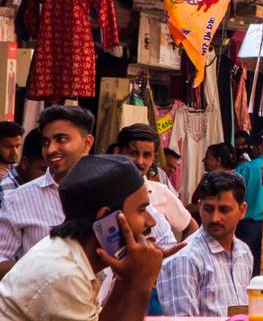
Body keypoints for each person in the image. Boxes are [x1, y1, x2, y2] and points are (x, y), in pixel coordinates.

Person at [0, 105, 174, 277]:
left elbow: (166, 244)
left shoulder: (118, 189)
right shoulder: (19, 199)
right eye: (46, 142)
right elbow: (1, 259)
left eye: (61, 139)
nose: (51, 149)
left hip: (108, 302)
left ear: (87, 143)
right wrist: (47, 275)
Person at [0, 154, 174, 321]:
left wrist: (127, 279)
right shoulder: (64, 275)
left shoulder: (71, 254)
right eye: (142, 210)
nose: (151, 222)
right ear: (107, 219)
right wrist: (141, 283)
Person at [154, 169, 253, 317]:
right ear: (199, 207)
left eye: (224, 210)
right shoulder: (185, 259)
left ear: (242, 210)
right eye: (209, 209)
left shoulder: (244, 253)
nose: (215, 218)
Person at [115, 123, 196, 241]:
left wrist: (178, 257)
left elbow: (191, 227)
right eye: (133, 153)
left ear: (153, 158)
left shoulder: (161, 192)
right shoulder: (107, 190)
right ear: (118, 152)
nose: (140, 161)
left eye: (146, 155)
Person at [233, 134, 263, 265]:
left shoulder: (245, 168)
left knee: (244, 262)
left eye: (251, 147)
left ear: (259, 148)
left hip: (247, 225)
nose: (249, 151)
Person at [0, 130, 45, 207]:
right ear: (25, 163)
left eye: (18, 146)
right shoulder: (8, 195)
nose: (14, 152)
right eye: (44, 170)